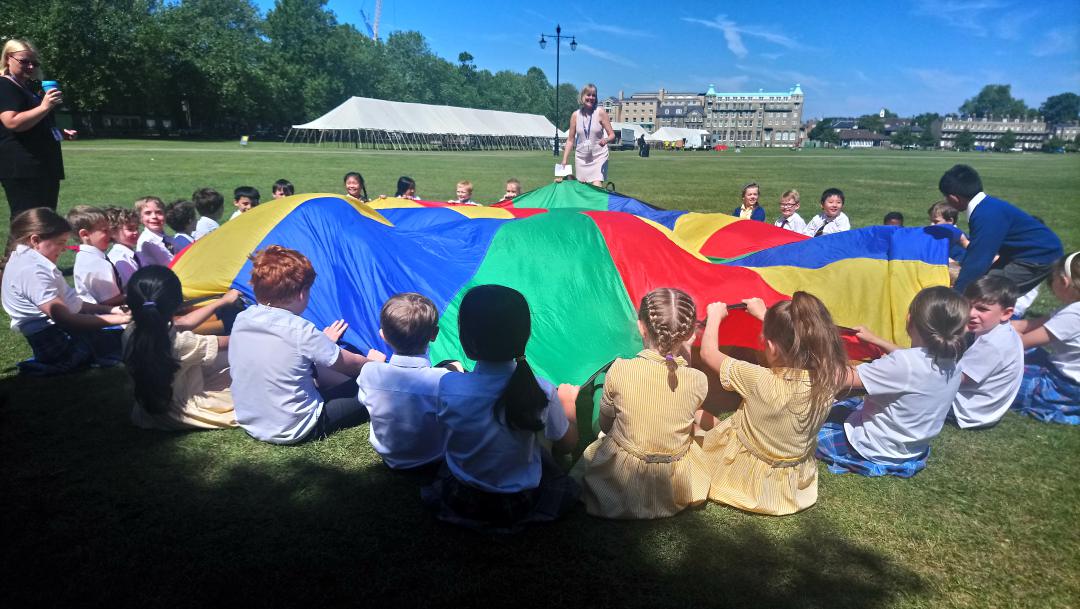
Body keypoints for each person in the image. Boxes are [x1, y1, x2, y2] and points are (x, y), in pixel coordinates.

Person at [422, 285, 579, 531]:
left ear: (467, 341)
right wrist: (568, 402)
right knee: (553, 466)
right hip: (519, 502)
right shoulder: (542, 390)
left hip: (461, 497)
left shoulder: (449, 384)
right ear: (524, 336)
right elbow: (567, 445)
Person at [698, 293, 848, 515]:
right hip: (789, 488)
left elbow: (708, 352)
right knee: (725, 425)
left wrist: (714, 315)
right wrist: (764, 315)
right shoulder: (829, 380)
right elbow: (805, 340)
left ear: (771, 347)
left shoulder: (757, 379)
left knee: (695, 416)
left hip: (743, 478)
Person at [577, 287, 711, 519]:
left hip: (622, 479)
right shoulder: (698, 380)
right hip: (673, 485)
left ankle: (597, 384)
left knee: (601, 419)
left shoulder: (620, 369)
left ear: (641, 327)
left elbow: (606, 426)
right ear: (690, 334)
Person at [228, 245, 383, 445]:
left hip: (252, 422)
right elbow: (350, 364)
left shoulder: (243, 318)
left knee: (315, 369)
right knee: (375, 387)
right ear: (302, 294)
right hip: (295, 427)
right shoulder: (300, 329)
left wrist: (323, 342)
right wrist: (373, 363)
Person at [816, 286, 968, 477]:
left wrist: (819, 345)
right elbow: (911, 362)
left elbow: (838, 378)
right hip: (910, 451)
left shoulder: (904, 364)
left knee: (808, 428)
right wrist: (875, 340)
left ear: (909, 320)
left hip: (872, 448)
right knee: (847, 406)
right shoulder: (953, 364)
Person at [1, 208, 129, 375]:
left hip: (63, 335)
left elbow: (73, 303)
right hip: (58, 344)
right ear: (35, 240)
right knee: (130, 341)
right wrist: (119, 319)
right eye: (61, 242)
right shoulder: (31, 270)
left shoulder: (32, 261)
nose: (64, 249)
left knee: (124, 336)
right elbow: (66, 319)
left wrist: (112, 310)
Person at [123, 265, 242, 431]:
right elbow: (234, 341)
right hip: (182, 411)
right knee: (250, 390)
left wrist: (221, 302)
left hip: (146, 412)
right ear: (177, 303)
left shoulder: (133, 331)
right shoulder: (181, 343)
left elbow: (185, 322)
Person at [357, 293, 450, 471]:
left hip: (389, 457)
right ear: (434, 334)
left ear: (383, 335)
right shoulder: (443, 380)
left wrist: (375, 365)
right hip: (434, 458)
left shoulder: (369, 373)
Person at [939, 164, 1063, 293]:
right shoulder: (986, 206)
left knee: (986, 291)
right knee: (981, 282)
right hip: (1020, 253)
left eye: (945, 196)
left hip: (1038, 256)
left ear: (954, 197)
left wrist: (957, 293)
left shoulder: (985, 214)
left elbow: (978, 260)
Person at [1011, 252, 1080, 425]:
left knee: (997, 378)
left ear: (1064, 281)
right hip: (1068, 380)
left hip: (1062, 386)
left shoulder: (1074, 314)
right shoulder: (1072, 310)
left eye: (1052, 280)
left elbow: (1018, 344)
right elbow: (1027, 325)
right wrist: (997, 321)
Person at [0, 39, 64, 219]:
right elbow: (12, 122)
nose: (30, 66)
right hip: (23, 167)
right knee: (27, 224)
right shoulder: (4, 85)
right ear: (8, 58)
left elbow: (33, 123)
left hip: (43, 165)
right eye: (24, 61)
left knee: (44, 223)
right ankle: (17, 250)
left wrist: (60, 132)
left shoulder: (26, 88)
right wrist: (44, 106)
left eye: (34, 63)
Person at [951, 276, 1024, 429]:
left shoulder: (992, 343)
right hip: (985, 411)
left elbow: (954, 380)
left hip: (966, 412)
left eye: (982, 309)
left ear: (1006, 313)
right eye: (968, 305)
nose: (971, 313)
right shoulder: (1002, 331)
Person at [560, 83, 615, 187]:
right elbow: (570, 140)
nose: (591, 98)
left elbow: (612, 135)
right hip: (581, 158)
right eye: (588, 95)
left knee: (596, 188)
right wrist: (564, 159)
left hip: (599, 156)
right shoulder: (575, 115)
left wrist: (606, 140)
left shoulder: (600, 112)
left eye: (593, 95)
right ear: (582, 97)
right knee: (582, 190)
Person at [67, 205, 123, 306]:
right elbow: (109, 300)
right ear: (85, 234)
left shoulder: (85, 256)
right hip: (105, 316)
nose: (110, 234)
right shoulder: (95, 262)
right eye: (105, 230)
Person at [104, 206, 140, 289]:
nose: (136, 232)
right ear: (113, 232)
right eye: (130, 229)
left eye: (137, 228)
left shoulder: (130, 253)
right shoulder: (120, 259)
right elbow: (133, 286)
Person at [134, 196, 173, 267]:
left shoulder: (167, 239)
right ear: (140, 218)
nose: (154, 216)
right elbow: (170, 265)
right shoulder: (147, 242)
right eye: (148, 213)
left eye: (159, 212)